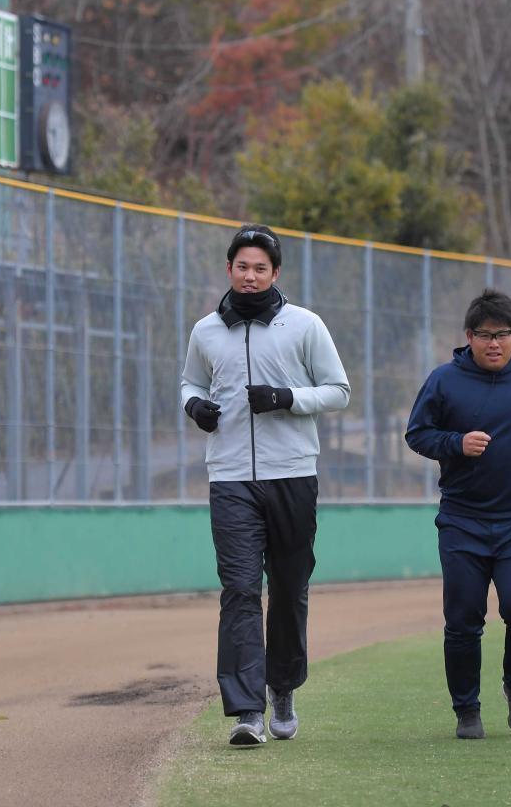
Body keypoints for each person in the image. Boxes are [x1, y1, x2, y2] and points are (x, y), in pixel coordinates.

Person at [181, 224, 351, 746]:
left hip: (293, 475)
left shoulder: (305, 325)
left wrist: (287, 398)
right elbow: (191, 380)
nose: (250, 276)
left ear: (275, 273)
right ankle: (247, 711)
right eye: (241, 267)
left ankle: (282, 688)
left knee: (288, 590)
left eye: (260, 268)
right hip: (230, 479)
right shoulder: (206, 330)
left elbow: (339, 390)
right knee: (238, 591)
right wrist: (194, 405)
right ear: (229, 270)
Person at [404, 288, 511, 740]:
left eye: (502, 334)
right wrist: (455, 443)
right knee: (463, 620)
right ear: (468, 336)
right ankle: (466, 710)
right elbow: (417, 433)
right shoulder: (444, 380)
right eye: (484, 335)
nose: (493, 343)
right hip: (462, 519)